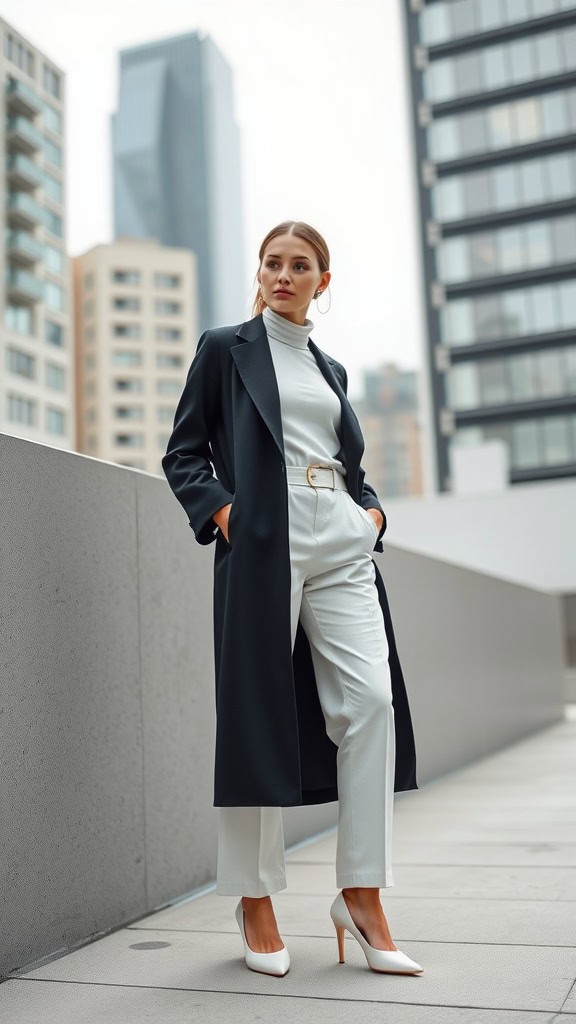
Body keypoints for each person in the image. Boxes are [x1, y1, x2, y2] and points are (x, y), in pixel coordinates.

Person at [162, 220, 422, 978]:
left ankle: (362, 894)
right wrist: (227, 513)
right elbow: (184, 451)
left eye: (299, 265)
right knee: (256, 713)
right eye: (272, 263)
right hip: (264, 539)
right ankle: (254, 898)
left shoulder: (331, 369)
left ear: (322, 282)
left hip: (340, 539)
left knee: (371, 702)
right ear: (261, 272)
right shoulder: (225, 349)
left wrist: (370, 513)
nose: (283, 274)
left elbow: (349, 465)